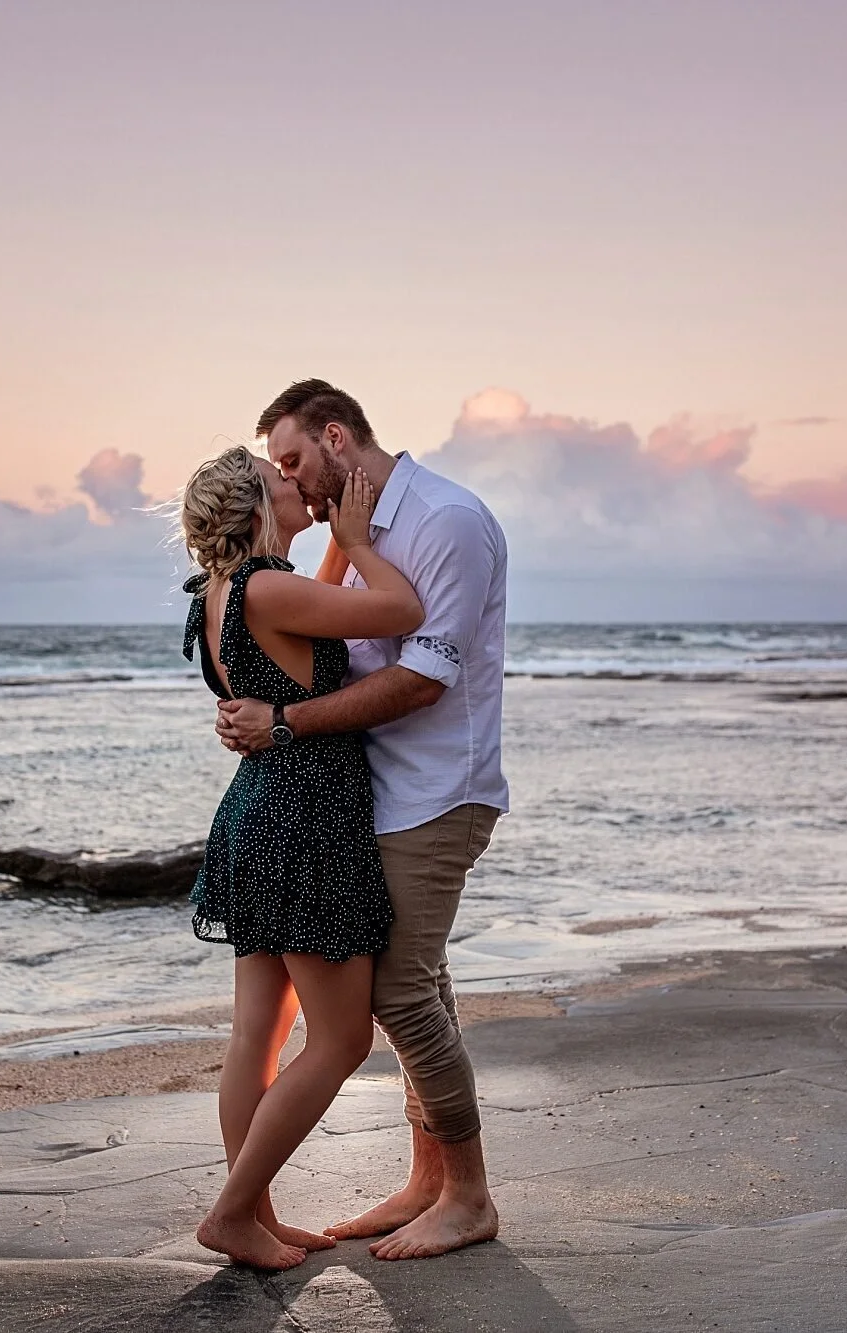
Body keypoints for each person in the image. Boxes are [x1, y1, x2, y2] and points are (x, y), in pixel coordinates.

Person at [217, 379, 511, 1261]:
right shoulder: (351, 541)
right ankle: (427, 1178)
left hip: (436, 791)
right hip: (366, 798)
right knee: (424, 985)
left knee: (399, 993)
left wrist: (282, 722)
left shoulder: (446, 522)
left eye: (294, 459)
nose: (291, 481)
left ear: (337, 438)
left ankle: (467, 1194)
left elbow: (424, 675)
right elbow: (315, 651)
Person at [176, 444, 426, 1271]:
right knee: (341, 1039)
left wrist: (328, 543)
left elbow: (303, 610)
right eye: (282, 479)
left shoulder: (219, 594)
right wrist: (357, 542)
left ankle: (255, 1213)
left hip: (256, 812)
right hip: (307, 818)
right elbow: (400, 611)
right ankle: (234, 1209)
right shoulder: (270, 590)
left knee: (259, 1031)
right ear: (255, 506)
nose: (299, 482)